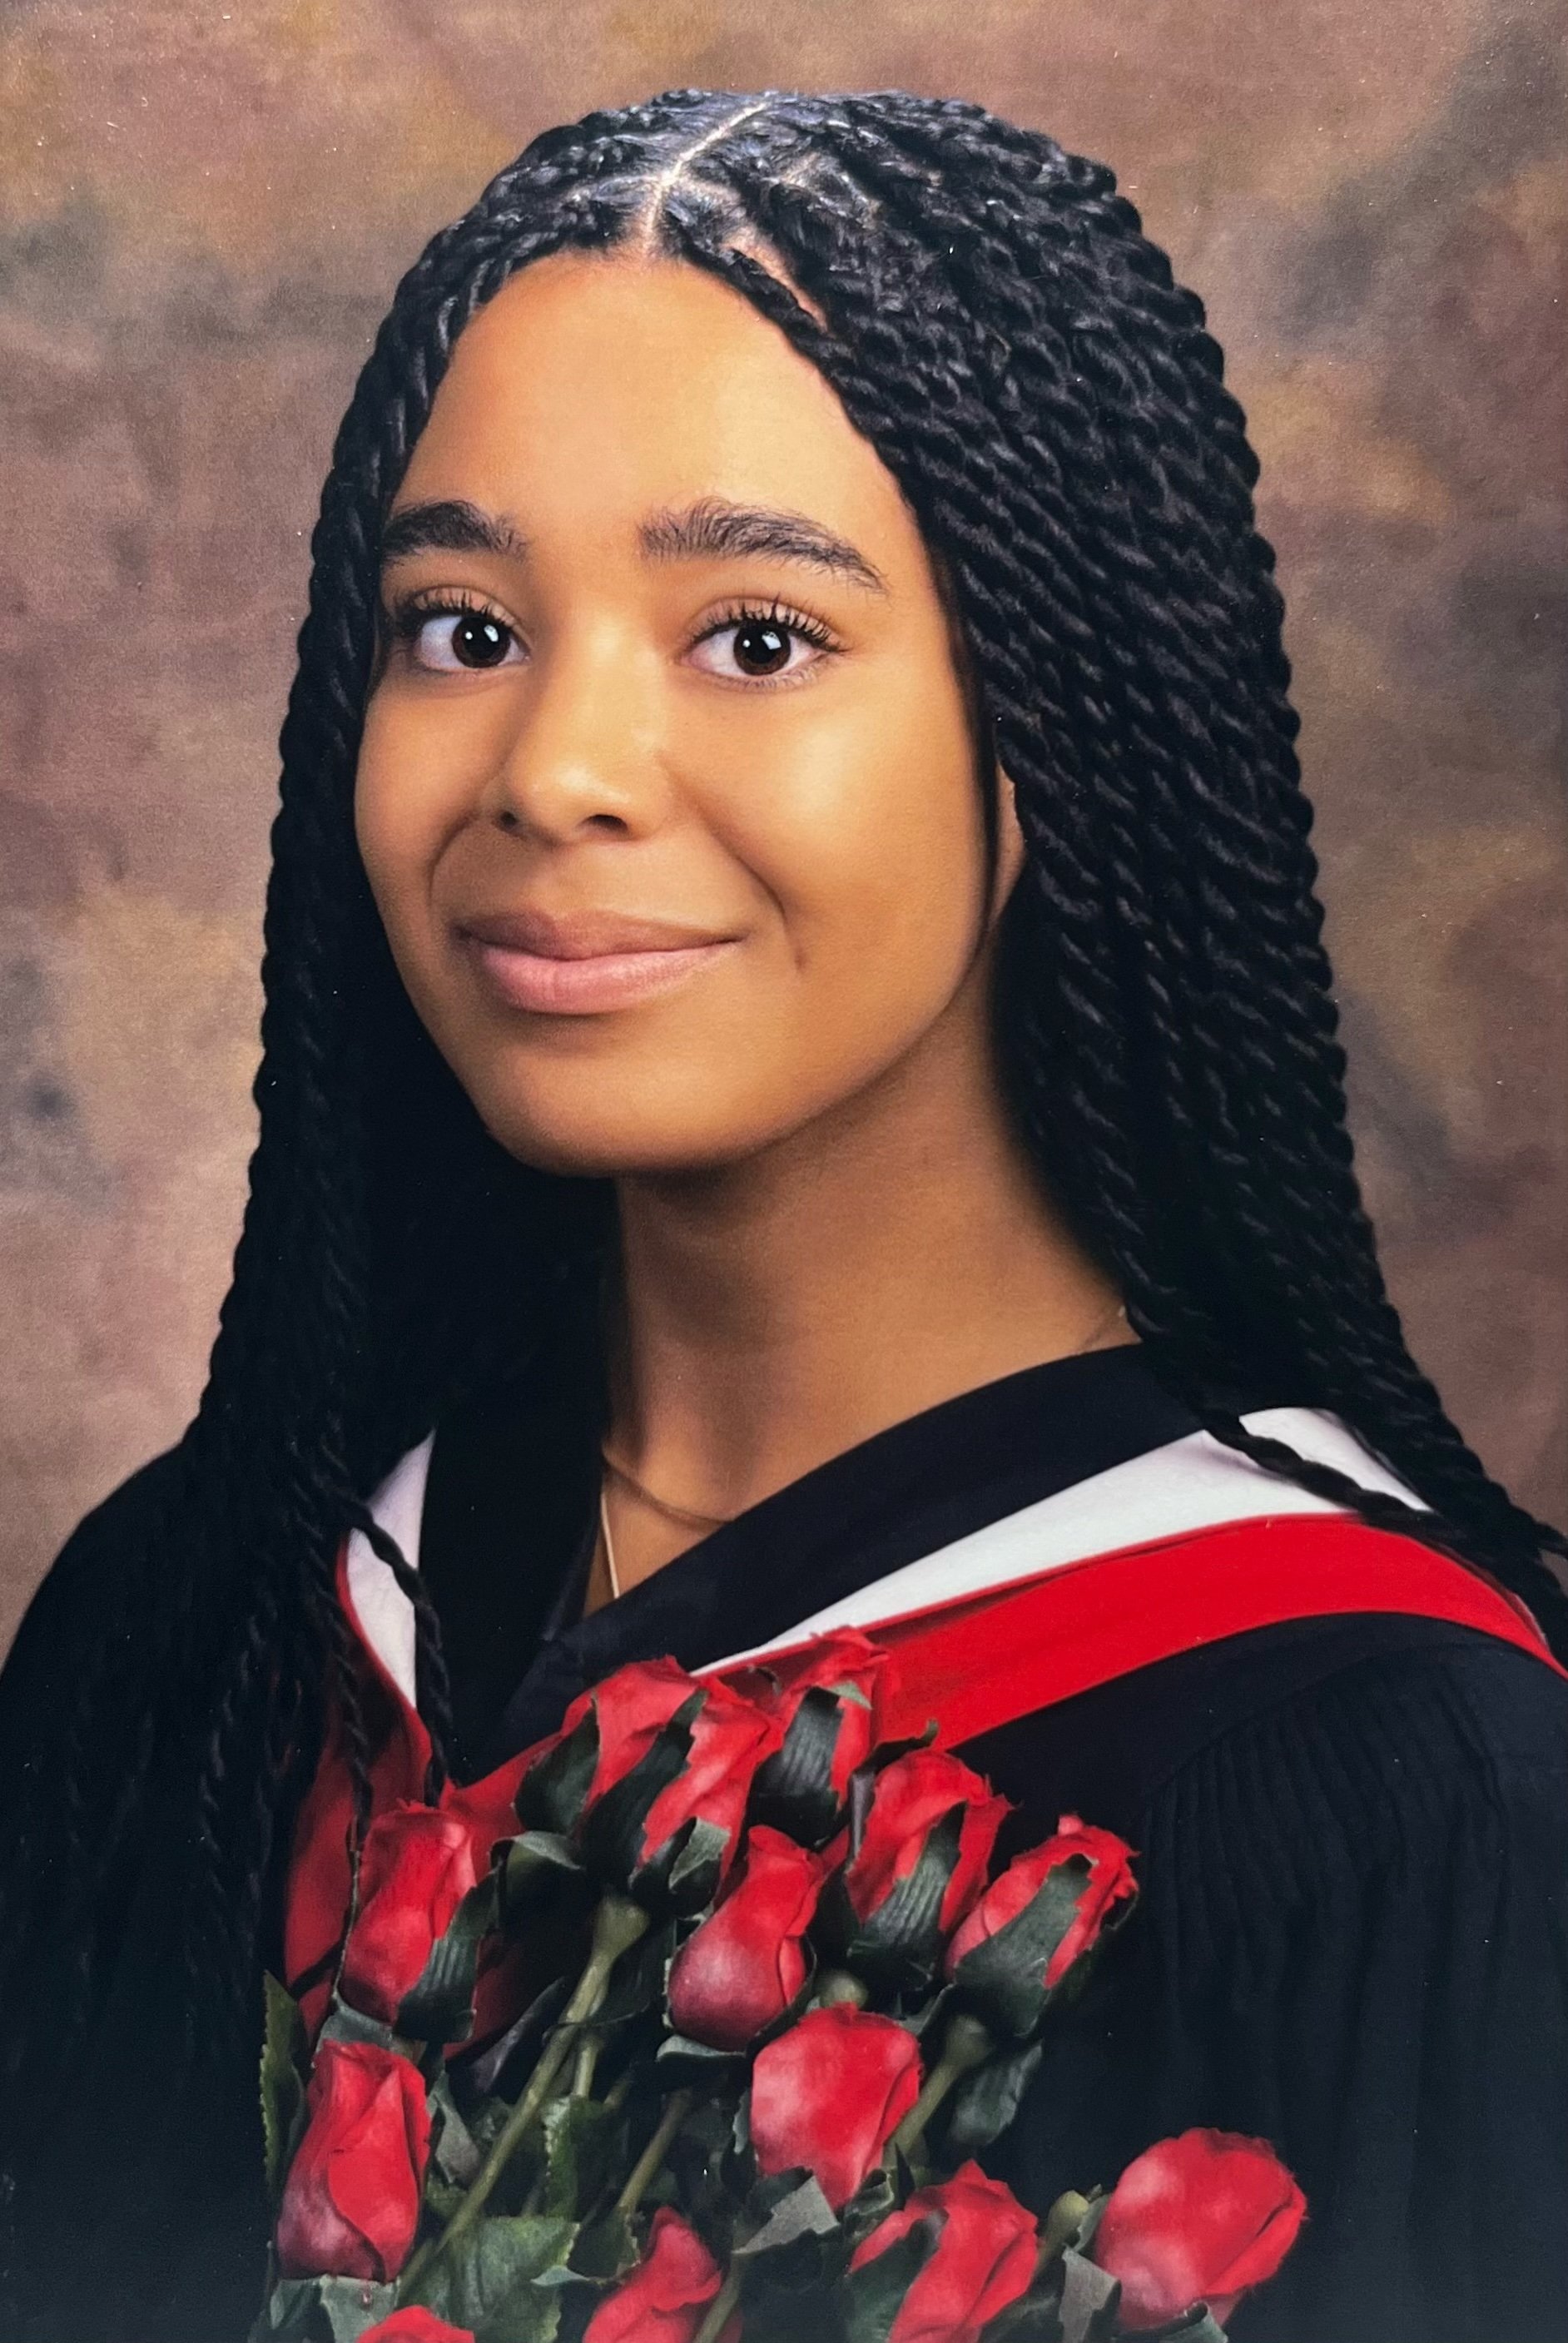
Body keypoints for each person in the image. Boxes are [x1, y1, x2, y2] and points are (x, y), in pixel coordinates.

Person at [1, 87, 1564, 2343]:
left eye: (752, 636)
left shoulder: (1395, 1795)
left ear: (1050, 738)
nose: (548, 769)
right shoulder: (199, 1639)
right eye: (456, 627)